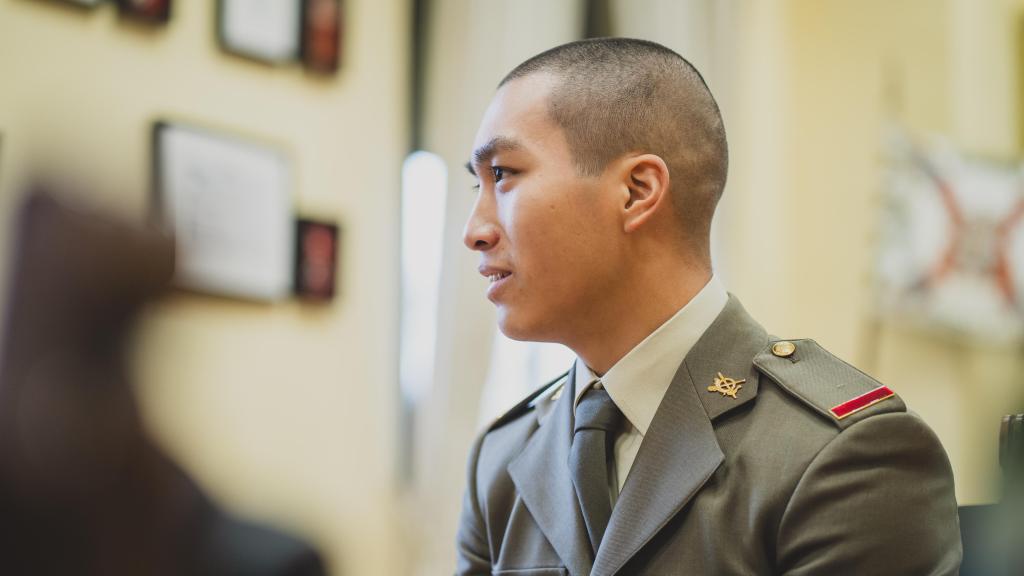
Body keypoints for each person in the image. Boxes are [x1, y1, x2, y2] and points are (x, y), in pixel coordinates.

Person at [455, 38, 961, 575]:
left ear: (636, 191)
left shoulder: (843, 457)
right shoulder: (504, 459)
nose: (474, 231)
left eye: (504, 175)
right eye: (477, 183)